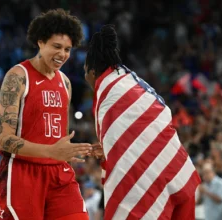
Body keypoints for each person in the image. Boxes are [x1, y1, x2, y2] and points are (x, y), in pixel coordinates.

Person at [84, 25, 201, 220]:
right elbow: (138, 132)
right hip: (178, 171)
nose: (85, 77)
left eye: (85, 71)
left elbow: (126, 157)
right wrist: (108, 148)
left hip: (147, 190)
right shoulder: (130, 80)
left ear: (93, 71)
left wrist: (112, 150)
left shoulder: (110, 94)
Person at [0, 9, 92, 220]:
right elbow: (3, 139)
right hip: (22, 173)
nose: (62, 55)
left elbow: (59, 141)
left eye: (67, 49)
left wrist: (87, 150)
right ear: (40, 42)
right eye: (56, 46)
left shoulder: (65, 83)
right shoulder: (18, 76)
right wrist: (51, 152)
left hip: (58, 173)